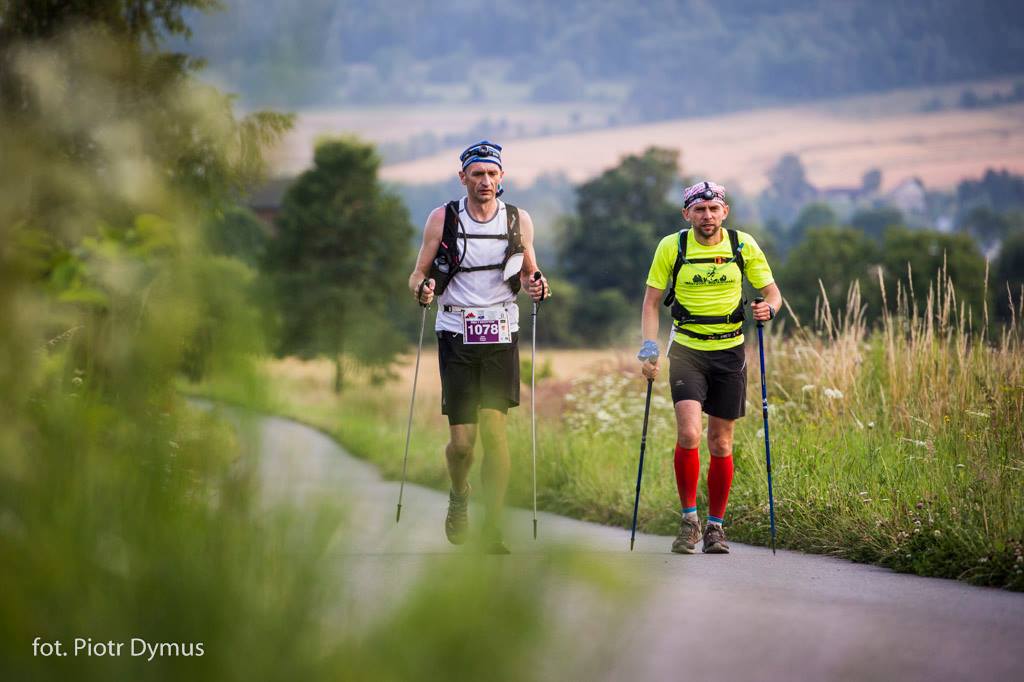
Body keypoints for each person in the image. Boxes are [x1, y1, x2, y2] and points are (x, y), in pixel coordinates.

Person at [408, 140, 549, 554]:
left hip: (502, 330)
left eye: (492, 174)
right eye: (477, 174)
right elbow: (416, 274)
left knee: (495, 431)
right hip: (455, 330)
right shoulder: (443, 218)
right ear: (463, 177)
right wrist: (423, 290)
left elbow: (529, 272)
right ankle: (459, 494)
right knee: (463, 443)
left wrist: (538, 285)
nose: (485, 181)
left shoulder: (518, 219)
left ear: (501, 177)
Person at [638, 180, 781, 554]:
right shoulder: (673, 246)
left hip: (730, 352)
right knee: (689, 434)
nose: (707, 216)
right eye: (699, 210)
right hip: (686, 350)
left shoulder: (742, 245)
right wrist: (649, 350)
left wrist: (770, 309)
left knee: (721, 441)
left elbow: (772, 293)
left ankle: (716, 527)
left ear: (725, 212)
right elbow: (652, 302)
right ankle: (689, 522)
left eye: (714, 209)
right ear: (687, 214)